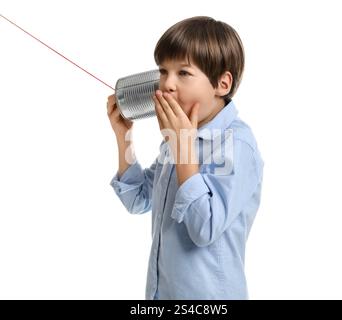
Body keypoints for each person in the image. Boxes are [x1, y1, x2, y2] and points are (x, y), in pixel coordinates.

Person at [106, 16, 264, 300]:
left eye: (184, 73)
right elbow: (139, 200)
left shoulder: (236, 145)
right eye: (163, 71)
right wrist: (124, 137)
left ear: (222, 83)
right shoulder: (176, 138)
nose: (167, 84)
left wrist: (182, 148)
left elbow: (204, 228)